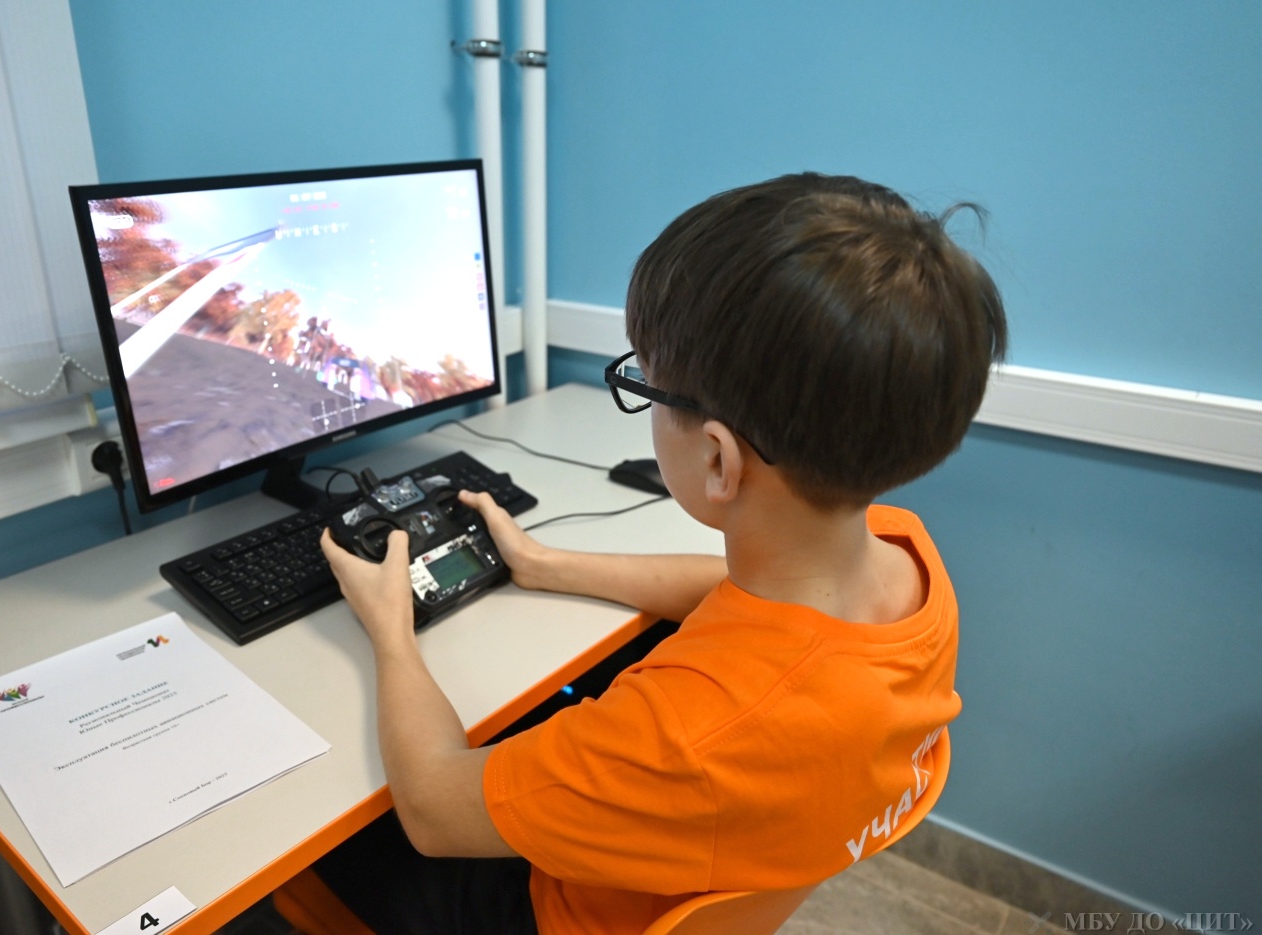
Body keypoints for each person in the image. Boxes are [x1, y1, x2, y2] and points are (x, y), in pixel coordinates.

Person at [314, 172, 1008, 935]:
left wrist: (391, 629)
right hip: (709, 848)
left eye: (647, 385)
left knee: (332, 828)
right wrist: (547, 564)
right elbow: (740, 600)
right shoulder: (908, 561)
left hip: (552, 911)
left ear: (717, 459)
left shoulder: (680, 736)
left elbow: (433, 809)